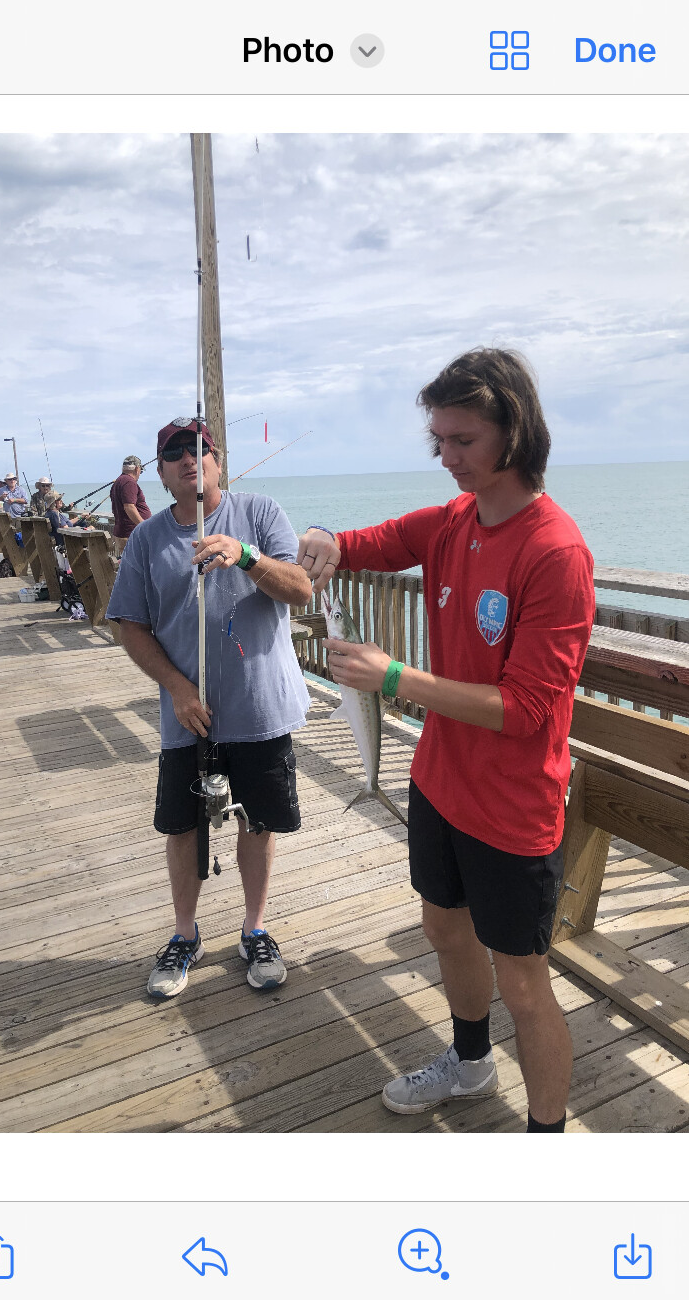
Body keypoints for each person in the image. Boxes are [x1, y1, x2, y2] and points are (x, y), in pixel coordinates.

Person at [298, 348, 595, 1134]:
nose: (447, 457)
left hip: (512, 808)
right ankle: (469, 1062)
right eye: (439, 440)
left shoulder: (556, 551)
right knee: (443, 928)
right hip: (439, 782)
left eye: (463, 440)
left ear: (514, 431)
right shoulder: (452, 522)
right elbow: (367, 542)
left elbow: (527, 709)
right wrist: (324, 536)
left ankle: (545, 1134)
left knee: (524, 984)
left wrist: (395, 677)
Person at [106, 417, 312, 999]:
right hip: (189, 716)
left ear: (218, 462)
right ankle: (184, 933)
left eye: (200, 450)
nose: (189, 460)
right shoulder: (147, 540)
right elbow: (130, 624)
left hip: (259, 708)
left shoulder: (260, 513)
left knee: (257, 820)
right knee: (181, 827)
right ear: (160, 473)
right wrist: (176, 687)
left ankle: (254, 928)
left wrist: (244, 555)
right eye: (174, 453)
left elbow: (300, 587)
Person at [110, 454, 151, 555]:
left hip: (124, 533)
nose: (139, 474)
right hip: (131, 534)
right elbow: (129, 507)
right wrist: (144, 526)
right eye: (141, 472)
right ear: (137, 469)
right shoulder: (129, 482)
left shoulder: (118, 481)